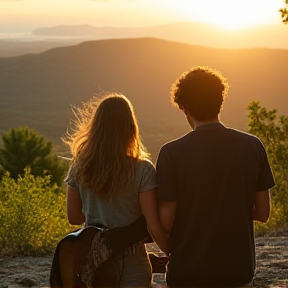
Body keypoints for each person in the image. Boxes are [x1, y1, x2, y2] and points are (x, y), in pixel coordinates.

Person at [156, 66, 275, 288]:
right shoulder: (252, 146)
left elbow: (166, 221)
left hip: (188, 272)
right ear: (220, 101)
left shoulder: (171, 153)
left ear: (186, 107)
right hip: (237, 271)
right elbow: (263, 212)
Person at [63, 93, 168, 287]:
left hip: (95, 258)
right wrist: (171, 253)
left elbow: (74, 217)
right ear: (130, 128)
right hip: (132, 259)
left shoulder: (80, 167)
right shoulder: (142, 169)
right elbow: (153, 225)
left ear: (96, 127)